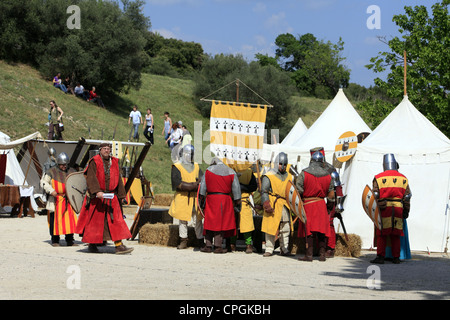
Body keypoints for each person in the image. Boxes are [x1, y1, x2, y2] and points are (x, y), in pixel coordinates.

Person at [75, 143, 133, 254]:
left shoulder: (114, 162)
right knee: (95, 223)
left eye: (108, 149)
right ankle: (92, 245)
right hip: (98, 197)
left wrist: (121, 195)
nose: (107, 151)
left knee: (116, 221)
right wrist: (97, 191)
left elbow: (119, 180)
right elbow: (91, 177)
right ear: (100, 150)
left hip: (112, 197)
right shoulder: (94, 161)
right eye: (104, 149)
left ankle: (119, 245)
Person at [370, 154, 411, 264]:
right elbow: (407, 196)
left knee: (382, 233)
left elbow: (375, 194)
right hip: (398, 208)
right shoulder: (403, 178)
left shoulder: (378, 178)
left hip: (384, 208)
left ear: (384, 164)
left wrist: (376, 207)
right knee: (396, 234)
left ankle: (380, 257)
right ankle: (396, 258)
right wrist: (406, 211)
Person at [295, 151, 335, 262]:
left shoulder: (304, 173)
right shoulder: (328, 175)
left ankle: (309, 255)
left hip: (308, 205)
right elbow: (331, 193)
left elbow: (298, 190)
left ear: (311, 160)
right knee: (321, 230)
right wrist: (329, 206)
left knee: (309, 231)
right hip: (321, 205)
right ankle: (322, 255)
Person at [198, 157, 241, 253]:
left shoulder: (208, 170)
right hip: (224, 200)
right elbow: (236, 190)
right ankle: (218, 246)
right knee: (220, 223)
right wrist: (237, 202)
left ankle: (208, 246)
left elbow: (202, 188)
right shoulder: (231, 172)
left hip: (211, 199)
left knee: (209, 222)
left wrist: (201, 199)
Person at [168, 144, 204, 249]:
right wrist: (194, 185)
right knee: (182, 220)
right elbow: (178, 184)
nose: (191, 156)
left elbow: (202, 181)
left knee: (197, 220)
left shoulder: (196, 166)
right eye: (189, 154)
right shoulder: (177, 166)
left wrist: (196, 185)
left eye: (192, 154)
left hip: (194, 198)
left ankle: (200, 240)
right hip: (183, 197)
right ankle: (183, 240)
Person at [41, 152, 78, 247]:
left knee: (69, 221)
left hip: (68, 200)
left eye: (65, 165)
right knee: (54, 221)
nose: (64, 166)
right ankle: (55, 240)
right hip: (55, 200)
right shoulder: (51, 171)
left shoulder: (71, 171)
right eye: (62, 165)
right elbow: (43, 182)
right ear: (58, 164)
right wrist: (51, 190)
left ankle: (70, 239)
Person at [260, 152, 293, 257]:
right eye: (280, 164)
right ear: (276, 163)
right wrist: (266, 203)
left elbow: (293, 192)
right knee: (270, 227)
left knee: (285, 227)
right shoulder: (269, 175)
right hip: (273, 202)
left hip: (285, 204)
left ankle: (284, 248)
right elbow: (264, 191)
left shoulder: (290, 177)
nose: (282, 166)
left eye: (284, 164)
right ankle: (269, 249)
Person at [229, 167, 258, 253]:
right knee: (232, 223)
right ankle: (232, 244)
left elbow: (253, 187)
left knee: (246, 224)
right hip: (232, 200)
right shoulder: (230, 170)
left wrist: (241, 187)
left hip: (244, 200)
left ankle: (248, 244)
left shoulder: (249, 172)